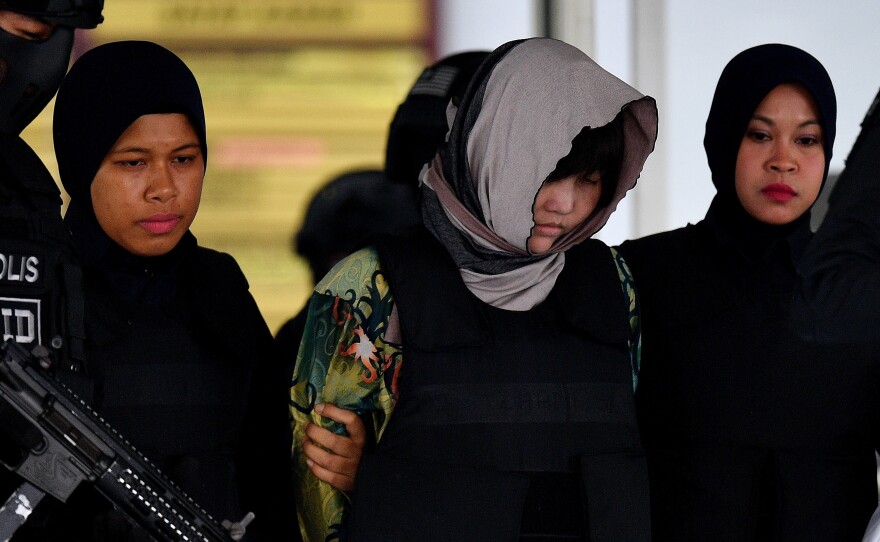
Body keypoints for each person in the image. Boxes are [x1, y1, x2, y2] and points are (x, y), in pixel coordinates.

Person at [291, 37, 658, 541]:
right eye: (548, 172)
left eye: (590, 180)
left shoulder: (612, 283)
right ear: (493, 142)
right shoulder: (369, 288)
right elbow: (320, 509)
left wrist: (392, 487)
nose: (565, 204)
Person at [616, 44, 878, 540]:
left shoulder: (859, 291)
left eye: (807, 140)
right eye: (760, 135)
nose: (784, 162)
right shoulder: (641, 276)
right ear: (722, 138)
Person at [44, 40, 299, 541]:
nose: (164, 188)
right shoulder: (36, 293)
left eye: (183, 158)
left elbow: (275, 475)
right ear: (81, 163)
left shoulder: (222, 292)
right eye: (133, 163)